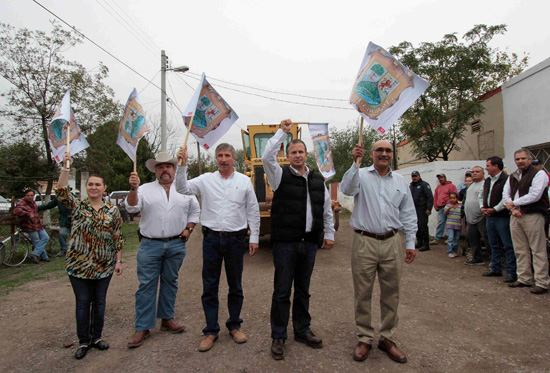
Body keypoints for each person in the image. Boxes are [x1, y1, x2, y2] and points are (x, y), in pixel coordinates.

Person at [261, 119, 335, 360]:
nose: (297, 155)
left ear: (306, 154)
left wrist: (329, 234)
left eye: (301, 151)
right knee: (282, 291)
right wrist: (282, 132)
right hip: (285, 243)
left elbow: (324, 209)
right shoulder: (278, 175)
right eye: (293, 152)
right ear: (287, 154)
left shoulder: (317, 179)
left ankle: (302, 330)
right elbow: (266, 157)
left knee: (303, 290)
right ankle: (278, 335)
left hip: (310, 243)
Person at [176, 143, 260, 352]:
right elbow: (181, 188)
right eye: (220, 155)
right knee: (210, 286)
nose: (223, 159)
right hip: (212, 239)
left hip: (235, 240)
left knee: (235, 285)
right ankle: (211, 330)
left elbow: (252, 209)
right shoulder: (206, 180)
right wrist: (182, 166)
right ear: (216, 159)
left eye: (227, 155)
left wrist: (254, 237)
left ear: (234, 159)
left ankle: (234, 325)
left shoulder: (243, 181)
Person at [340, 140, 417, 364]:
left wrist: (410, 243)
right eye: (379, 150)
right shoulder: (360, 175)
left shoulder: (401, 181)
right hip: (365, 241)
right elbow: (345, 189)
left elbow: (409, 213)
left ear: (392, 155)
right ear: (372, 154)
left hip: (392, 241)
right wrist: (355, 162)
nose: (384, 154)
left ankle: (387, 338)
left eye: (388, 150)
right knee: (362, 293)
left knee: (391, 293)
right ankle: (364, 337)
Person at [126, 152, 201, 348]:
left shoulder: (185, 189)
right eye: (160, 167)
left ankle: (167, 319)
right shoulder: (143, 189)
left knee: (170, 282)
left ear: (175, 170)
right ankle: (143, 326)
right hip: (150, 244)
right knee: (146, 286)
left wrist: (188, 230)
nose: (164, 169)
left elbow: (195, 211)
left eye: (168, 166)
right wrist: (133, 189)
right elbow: (132, 208)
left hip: (176, 244)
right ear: (156, 170)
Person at [56, 152, 125, 360]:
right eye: (91, 184)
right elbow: (61, 191)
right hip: (78, 265)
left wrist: (119, 261)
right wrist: (66, 167)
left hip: (104, 265)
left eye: (98, 184)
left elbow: (118, 237)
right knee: (83, 302)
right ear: (87, 188)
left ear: (104, 188)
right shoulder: (78, 206)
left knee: (100, 302)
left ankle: (97, 337)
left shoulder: (112, 211)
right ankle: (83, 341)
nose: (93, 187)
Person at [503, 149, 549, 294]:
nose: (520, 161)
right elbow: (506, 194)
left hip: (532, 214)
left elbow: (535, 195)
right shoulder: (513, 176)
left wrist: (514, 203)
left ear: (530, 159)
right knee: (520, 249)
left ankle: (542, 282)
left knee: (538, 249)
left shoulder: (539, 174)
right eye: (517, 159)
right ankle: (524, 278)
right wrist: (512, 208)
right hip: (516, 215)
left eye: (523, 158)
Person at [480, 156, 517, 282]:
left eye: (488, 165)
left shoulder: (506, 180)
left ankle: (511, 272)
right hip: (489, 217)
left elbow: (506, 198)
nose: (486, 168)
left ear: (496, 166)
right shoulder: (488, 181)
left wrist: (495, 209)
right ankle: (495, 268)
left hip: (502, 217)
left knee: (507, 245)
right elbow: (482, 195)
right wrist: (483, 207)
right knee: (493, 244)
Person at [463, 166, 491, 266]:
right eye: (473, 172)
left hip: (481, 217)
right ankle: (477, 258)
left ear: (483, 173)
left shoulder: (485, 184)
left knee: (488, 239)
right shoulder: (471, 185)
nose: (474, 173)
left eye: (477, 172)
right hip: (470, 218)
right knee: (473, 240)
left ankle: (493, 260)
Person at [13, 189, 50, 263]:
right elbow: (16, 210)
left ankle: (35, 254)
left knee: (45, 237)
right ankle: (44, 257)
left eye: (32, 195)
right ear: (25, 196)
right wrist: (27, 214)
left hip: (38, 224)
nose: (30, 197)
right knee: (36, 241)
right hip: (29, 225)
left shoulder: (33, 202)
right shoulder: (22, 203)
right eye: (28, 195)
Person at [410, 171, 433, 252]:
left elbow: (430, 197)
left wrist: (429, 208)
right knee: (416, 227)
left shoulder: (424, 185)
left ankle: (426, 244)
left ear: (419, 176)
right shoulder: (411, 186)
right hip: (414, 209)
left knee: (423, 226)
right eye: (413, 176)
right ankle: (419, 242)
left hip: (422, 209)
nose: (414, 177)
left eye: (416, 176)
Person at [432, 174, 457, 244]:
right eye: (439, 178)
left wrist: (450, 204)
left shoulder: (451, 186)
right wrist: (435, 205)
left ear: (445, 178)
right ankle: (437, 238)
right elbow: (435, 197)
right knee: (440, 223)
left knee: (450, 223)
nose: (440, 179)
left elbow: (455, 196)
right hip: (440, 208)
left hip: (449, 207)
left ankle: (450, 238)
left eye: (441, 177)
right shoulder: (438, 188)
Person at [444, 192, 462, 258]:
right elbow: (445, 213)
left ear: (457, 198)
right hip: (450, 224)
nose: (452, 200)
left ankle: (454, 251)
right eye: (451, 198)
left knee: (456, 239)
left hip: (458, 224)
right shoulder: (447, 206)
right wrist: (449, 208)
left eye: (454, 198)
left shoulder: (460, 206)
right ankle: (449, 251)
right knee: (450, 238)